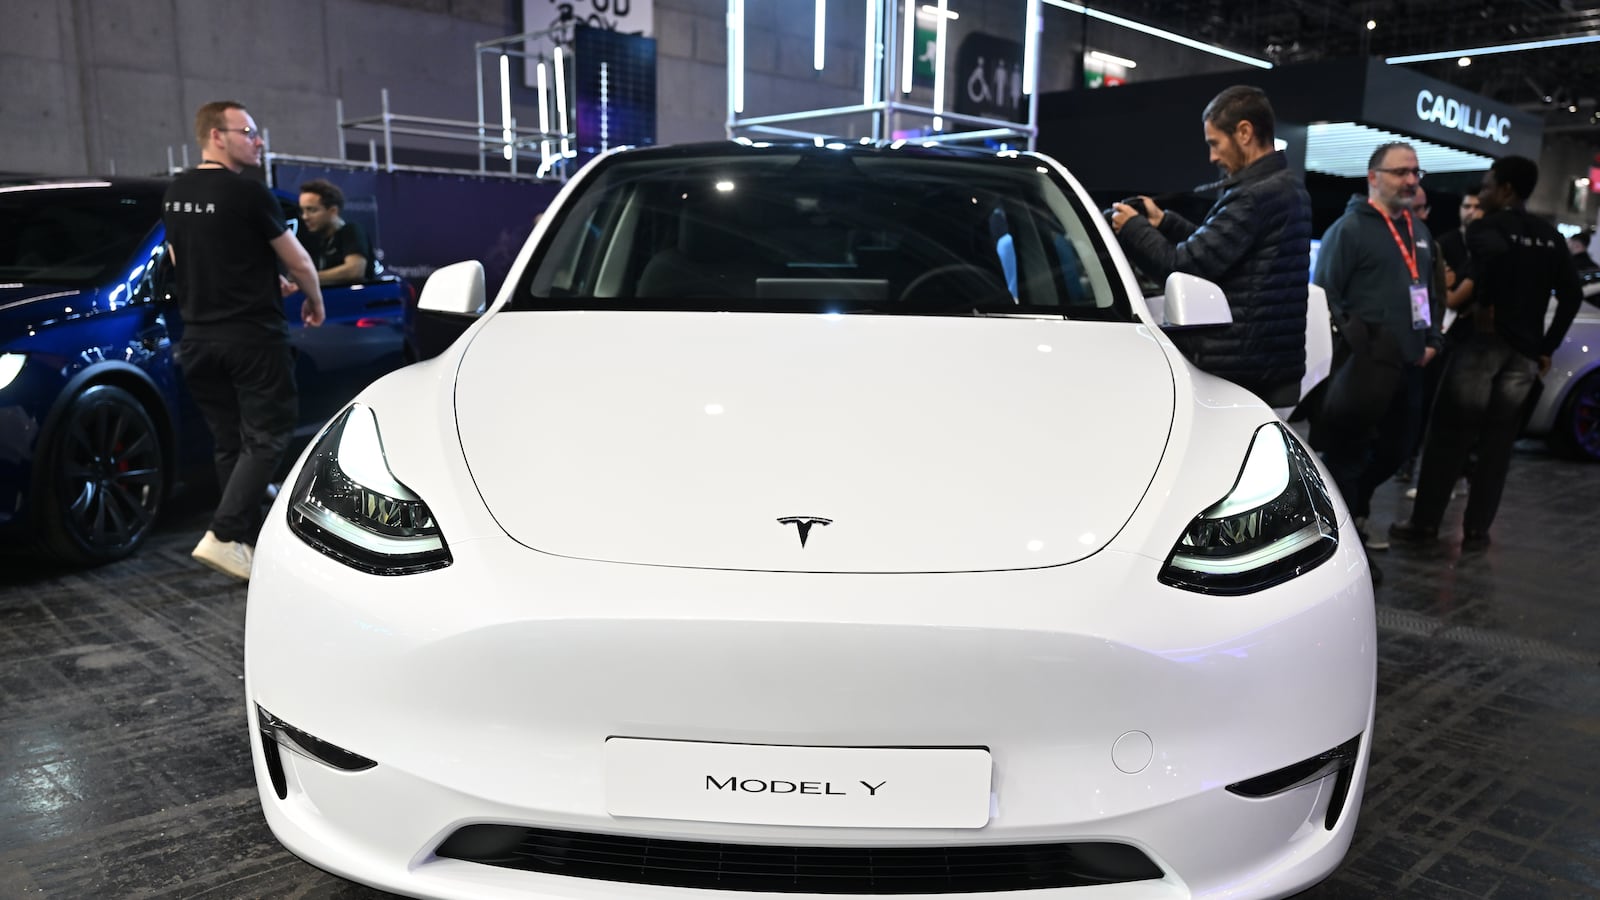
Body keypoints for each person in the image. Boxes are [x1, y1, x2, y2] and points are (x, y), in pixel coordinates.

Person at [163, 101, 325, 580]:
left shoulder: (175, 193)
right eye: (248, 131)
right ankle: (225, 533)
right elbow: (298, 262)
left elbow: (185, 258)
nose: (258, 140)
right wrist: (314, 300)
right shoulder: (248, 193)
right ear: (217, 135)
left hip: (198, 339)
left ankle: (247, 542)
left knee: (229, 443)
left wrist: (256, 279)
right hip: (252, 339)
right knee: (269, 435)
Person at [1390, 155, 1583, 552]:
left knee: (1448, 437)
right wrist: (1545, 346)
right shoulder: (1549, 236)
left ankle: (1424, 525)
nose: (1485, 191)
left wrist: (1482, 301)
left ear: (1507, 189)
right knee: (1498, 445)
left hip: (1481, 347)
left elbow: (1478, 280)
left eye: (1490, 185)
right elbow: (1572, 295)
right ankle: (1477, 531)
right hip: (1524, 355)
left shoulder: (1486, 229)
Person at [1109, 84, 1312, 409]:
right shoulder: (1285, 187)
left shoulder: (1254, 196)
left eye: (1215, 143)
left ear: (1244, 132)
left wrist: (1132, 228)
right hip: (1267, 366)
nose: (1213, 156)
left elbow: (1183, 269)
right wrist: (1165, 222)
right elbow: (1223, 250)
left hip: (1242, 371)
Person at [1310, 141, 1442, 576]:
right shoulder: (1349, 230)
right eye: (1401, 172)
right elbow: (1324, 297)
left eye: (1415, 173)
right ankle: (1349, 548)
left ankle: (1351, 506)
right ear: (1374, 177)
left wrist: (1432, 338)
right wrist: (1357, 343)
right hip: (1364, 367)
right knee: (1348, 454)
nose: (1410, 181)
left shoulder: (1418, 232)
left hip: (1410, 365)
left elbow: (1431, 293)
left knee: (1398, 449)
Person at [295, 178, 375, 285]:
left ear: (333, 211)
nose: (305, 217)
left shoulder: (351, 231)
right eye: (303, 211)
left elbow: (354, 272)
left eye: (312, 210)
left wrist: (305, 277)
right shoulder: (317, 241)